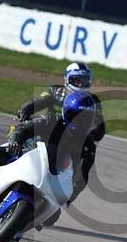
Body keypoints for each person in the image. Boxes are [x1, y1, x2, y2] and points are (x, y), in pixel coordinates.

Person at [0, 91, 98, 217]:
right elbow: (24, 129)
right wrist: (16, 140)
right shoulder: (52, 120)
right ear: (65, 113)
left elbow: (82, 174)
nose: (79, 123)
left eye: (84, 119)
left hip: (52, 175)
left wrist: (72, 194)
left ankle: (15, 227)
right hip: (27, 155)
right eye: (75, 117)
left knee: (52, 216)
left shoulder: (88, 145)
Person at [17, 61, 104, 194]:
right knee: (21, 140)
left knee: (82, 162)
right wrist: (26, 109)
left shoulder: (92, 101)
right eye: (77, 80)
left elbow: (99, 127)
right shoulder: (56, 91)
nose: (81, 84)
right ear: (67, 79)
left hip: (73, 140)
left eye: (84, 81)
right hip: (47, 131)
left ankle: (67, 190)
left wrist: (87, 135)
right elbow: (38, 101)